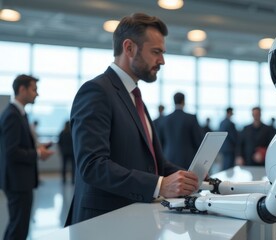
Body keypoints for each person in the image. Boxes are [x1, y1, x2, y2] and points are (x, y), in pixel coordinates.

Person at [64, 12, 199, 226]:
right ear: (129, 48)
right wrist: (159, 185)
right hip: (102, 224)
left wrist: (189, 178)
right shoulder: (96, 91)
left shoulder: (135, 98)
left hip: (133, 219)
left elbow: (155, 163)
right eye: (156, 52)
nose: (162, 61)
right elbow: (92, 165)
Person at [0, 74, 54, 240]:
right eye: (34, 89)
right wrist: (38, 153)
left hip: (20, 181)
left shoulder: (19, 113)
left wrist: (38, 148)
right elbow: (12, 152)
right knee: (18, 228)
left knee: (18, 225)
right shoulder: (12, 115)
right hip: (17, 182)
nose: (37, 94)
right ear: (22, 89)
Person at [158, 92, 203, 169]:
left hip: (169, 159)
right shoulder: (191, 118)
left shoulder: (165, 119)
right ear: (183, 101)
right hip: (187, 159)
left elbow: (160, 141)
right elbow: (198, 140)